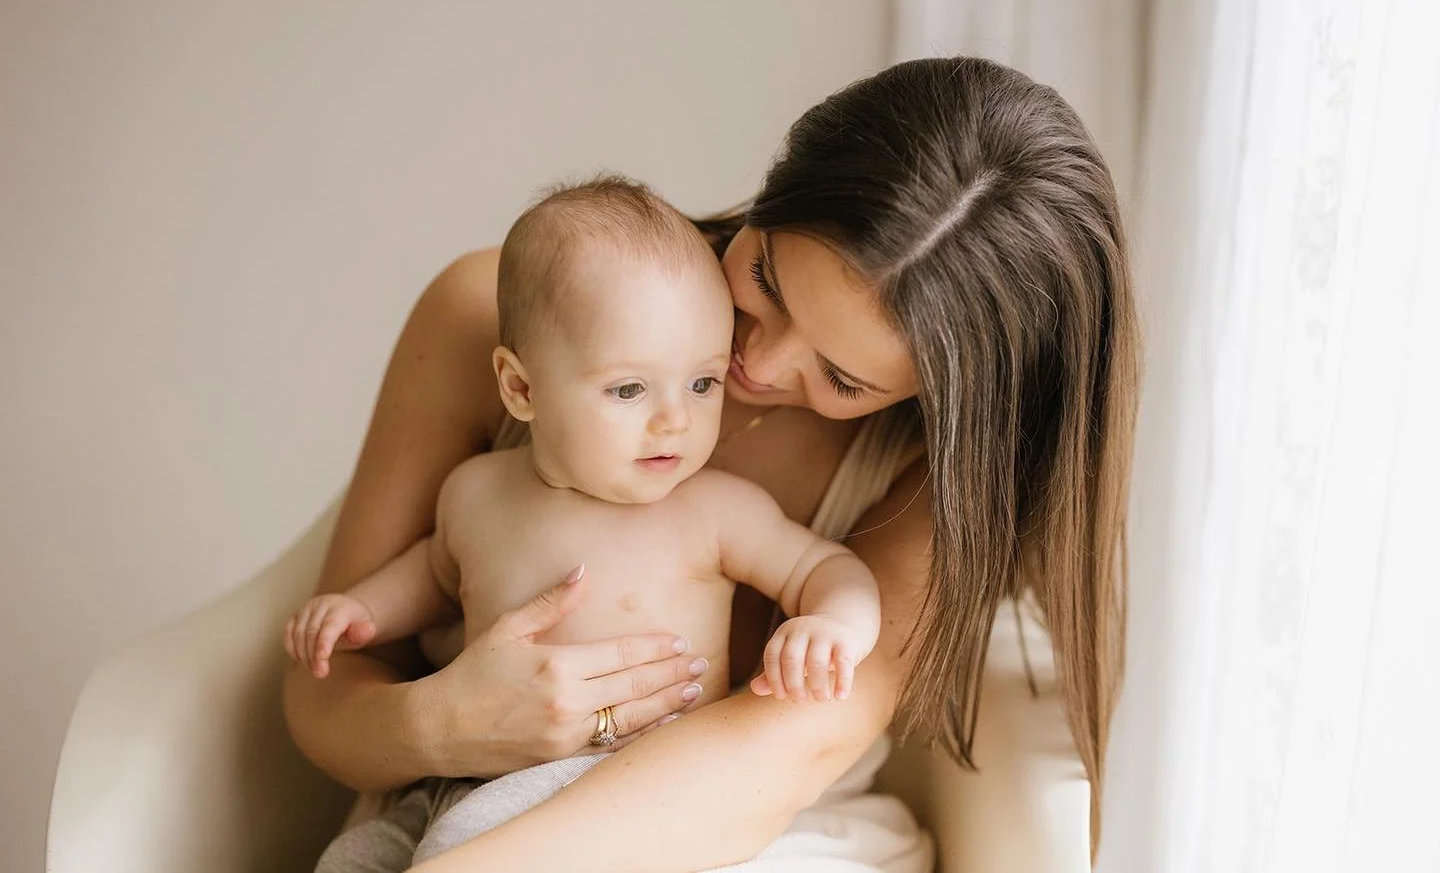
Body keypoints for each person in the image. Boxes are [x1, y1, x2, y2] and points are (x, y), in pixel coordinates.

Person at [282, 55, 1140, 871]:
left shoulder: (930, 483)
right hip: (457, 793)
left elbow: (786, 748)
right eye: (765, 278)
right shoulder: (492, 316)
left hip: (736, 831)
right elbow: (326, 692)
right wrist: (446, 722)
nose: (757, 368)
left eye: (841, 377)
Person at [285, 179, 883, 869]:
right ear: (522, 389)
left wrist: (834, 625)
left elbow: (824, 568)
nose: (675, 420)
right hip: (461, 770)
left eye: (703, 382)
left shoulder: (714, 510)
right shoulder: (475, 493)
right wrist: (358, 612)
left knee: (454, 851)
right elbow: (432, 575)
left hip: (605, 783)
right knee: (350, 858)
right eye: (629, 388)